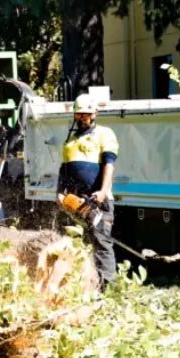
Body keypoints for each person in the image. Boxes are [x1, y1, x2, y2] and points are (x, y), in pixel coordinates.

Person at [56, 93, 119, 288]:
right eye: (79, 114)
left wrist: (102, 191)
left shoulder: (104, 134)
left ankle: (107, 288)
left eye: (86, 114)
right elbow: (64, 170)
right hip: (77, 201)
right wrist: (59, 192)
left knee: (102, 243)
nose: (82, 118)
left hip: (98, 199)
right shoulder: (71, 141)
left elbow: (109, 165)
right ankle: (85, 284)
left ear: (94, 114)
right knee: (80, 242)